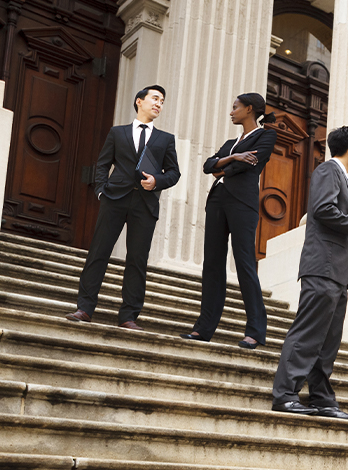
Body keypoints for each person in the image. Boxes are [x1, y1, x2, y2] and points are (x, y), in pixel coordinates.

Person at [271, 126, 348, 420]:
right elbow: (323, 210)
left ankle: (321, 398)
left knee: (327, 340)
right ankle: (285, 395)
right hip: (323, 267)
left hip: (337, 272)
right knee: (307, 334)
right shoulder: (328, 171)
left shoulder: (340, 176)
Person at [65, 85, 181, 330]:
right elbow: (103, 163)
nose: (159, 103)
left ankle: (129, 316)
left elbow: (174, 173)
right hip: (114, 199)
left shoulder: (165, 139)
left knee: (137, 261)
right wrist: (100, 190)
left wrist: (156, 182)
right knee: (99, 253)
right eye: (155, 98)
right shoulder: (117, 133)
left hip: (145, 205)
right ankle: (84, 308)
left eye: (162, 101)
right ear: (139, 101)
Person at [181, 93, 278, 349]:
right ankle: (203, 329)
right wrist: (234, 158)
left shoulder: (267, 135)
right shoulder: (230, 143)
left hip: (242, 203)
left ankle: (256, 331)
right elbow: (208, 167)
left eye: (235, 107)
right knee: (212, 264)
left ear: (249, 109)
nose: (231, 111)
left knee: (245, 262)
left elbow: (252, 163)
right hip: (217, 200)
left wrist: (224, 166)